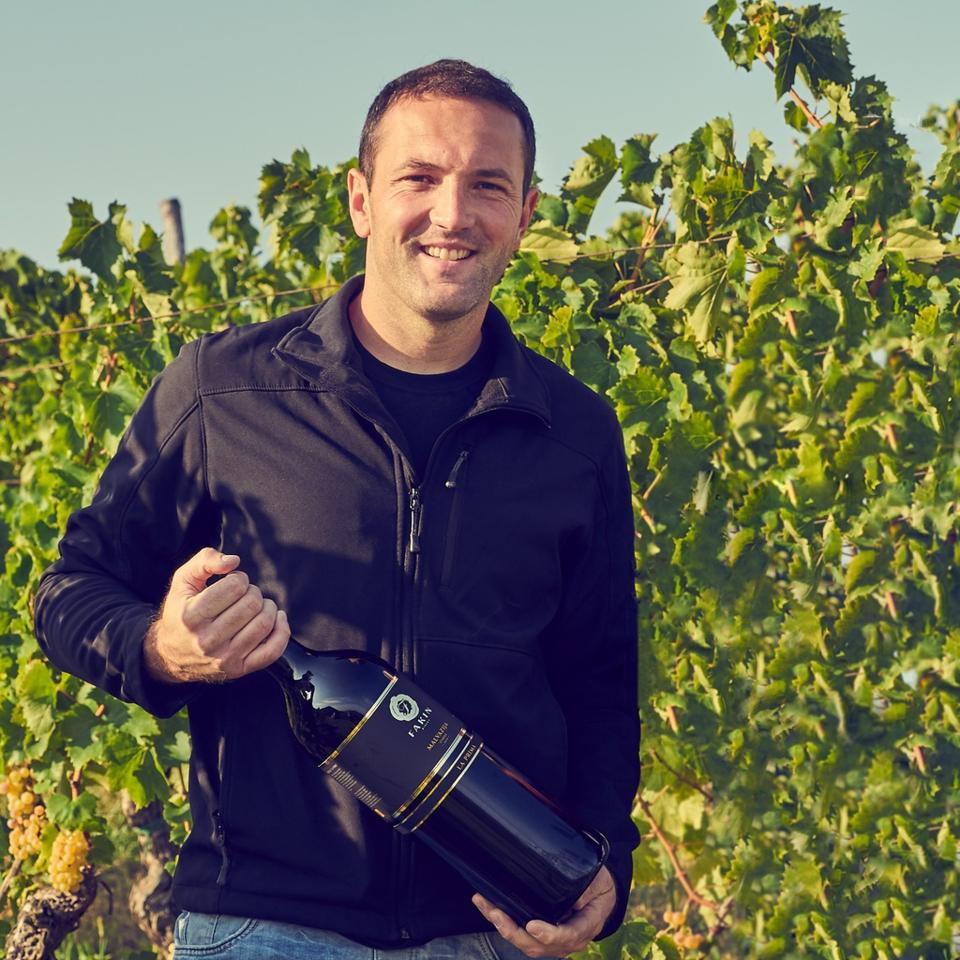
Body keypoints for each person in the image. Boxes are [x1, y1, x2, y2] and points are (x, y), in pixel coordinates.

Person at [34, 60, 640, 959]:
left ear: (526, 214)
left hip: (490, 932)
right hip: (264, 927)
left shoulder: (574, 433)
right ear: (360, 199)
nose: (451, 214)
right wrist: (163, 647)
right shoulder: (222, 390)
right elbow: (66, 594)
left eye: (486, 185)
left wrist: (607, 870)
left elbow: (598, 679)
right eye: (419, 179)